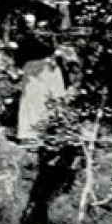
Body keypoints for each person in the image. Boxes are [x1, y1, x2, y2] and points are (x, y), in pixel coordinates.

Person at [10, 10, 67, 142]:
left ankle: (55, 130)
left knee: (52, 96)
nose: (30, 24)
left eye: (32, 22)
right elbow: (21, 57)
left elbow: (52, 50)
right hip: (32, 69)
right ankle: (30, 133)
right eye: (27, 22)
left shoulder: (43, 35)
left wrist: (54, 52)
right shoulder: (22, 39)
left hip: (46, 68)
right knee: (32, 100)